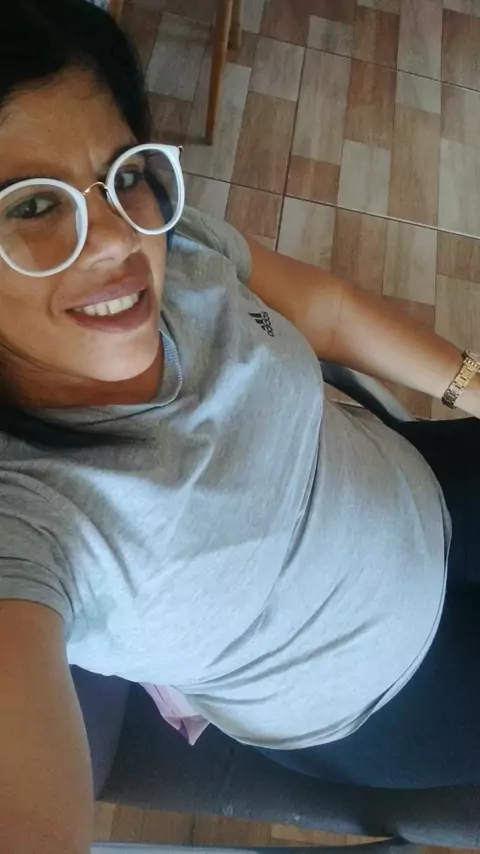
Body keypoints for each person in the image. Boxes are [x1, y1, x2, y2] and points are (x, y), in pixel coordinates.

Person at [1, 0, 480, 851]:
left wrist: (471, 382)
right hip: (388, 687)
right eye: (32, 206)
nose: (116, 238)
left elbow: (323, 310)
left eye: (121, 173)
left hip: (422, 484)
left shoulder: (175, 240)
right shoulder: (26, 520)